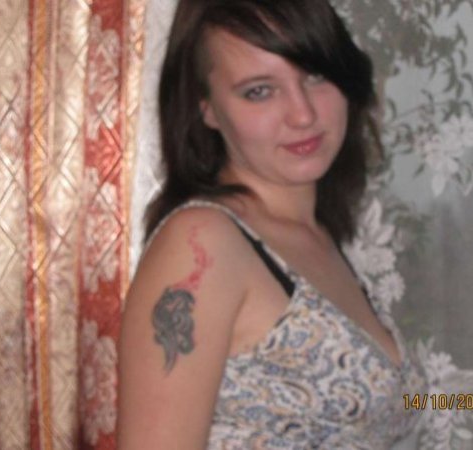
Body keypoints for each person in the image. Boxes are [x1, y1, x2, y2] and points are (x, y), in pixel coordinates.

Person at [118, 0, 426, 448]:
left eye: (315, 75)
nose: (303, 114)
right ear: (206, 108)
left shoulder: (318, 238)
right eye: (260, 91)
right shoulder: (202, 242)